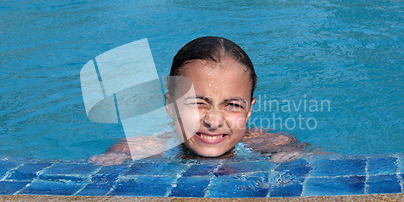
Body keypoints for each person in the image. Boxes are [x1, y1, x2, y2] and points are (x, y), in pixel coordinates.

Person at [89, 36, 313, 166]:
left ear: (249, 111)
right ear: (171, 106)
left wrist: (296, 157)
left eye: (233, 105)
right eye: (197, 103)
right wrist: (113, 158)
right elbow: (118, 153)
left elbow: (316, 159)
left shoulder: (265, 142)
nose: (213, 121)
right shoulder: (154, 144)